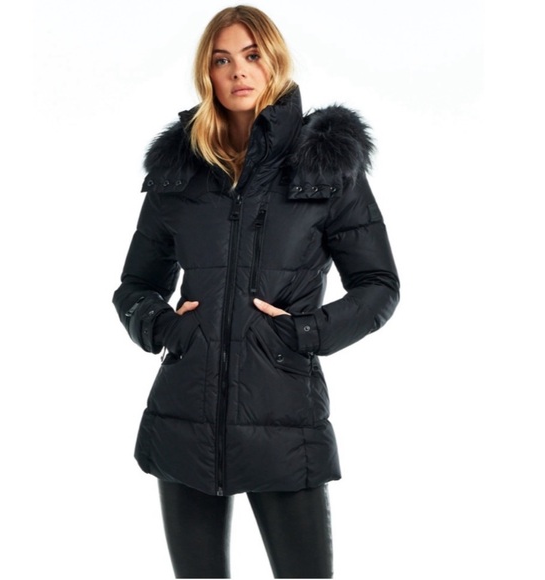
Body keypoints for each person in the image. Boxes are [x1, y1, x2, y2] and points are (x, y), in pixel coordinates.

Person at [113, 5, 399, 578]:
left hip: (284, 417)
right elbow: (135, 285)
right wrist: (165, 326)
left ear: (274, 63)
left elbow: (378, 285)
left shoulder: (324, 162)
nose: (238, 71)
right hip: (184, 418)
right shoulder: (180, 170)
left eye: (251, 55)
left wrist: (304, 333)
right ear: (208, 73)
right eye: (222, 60)